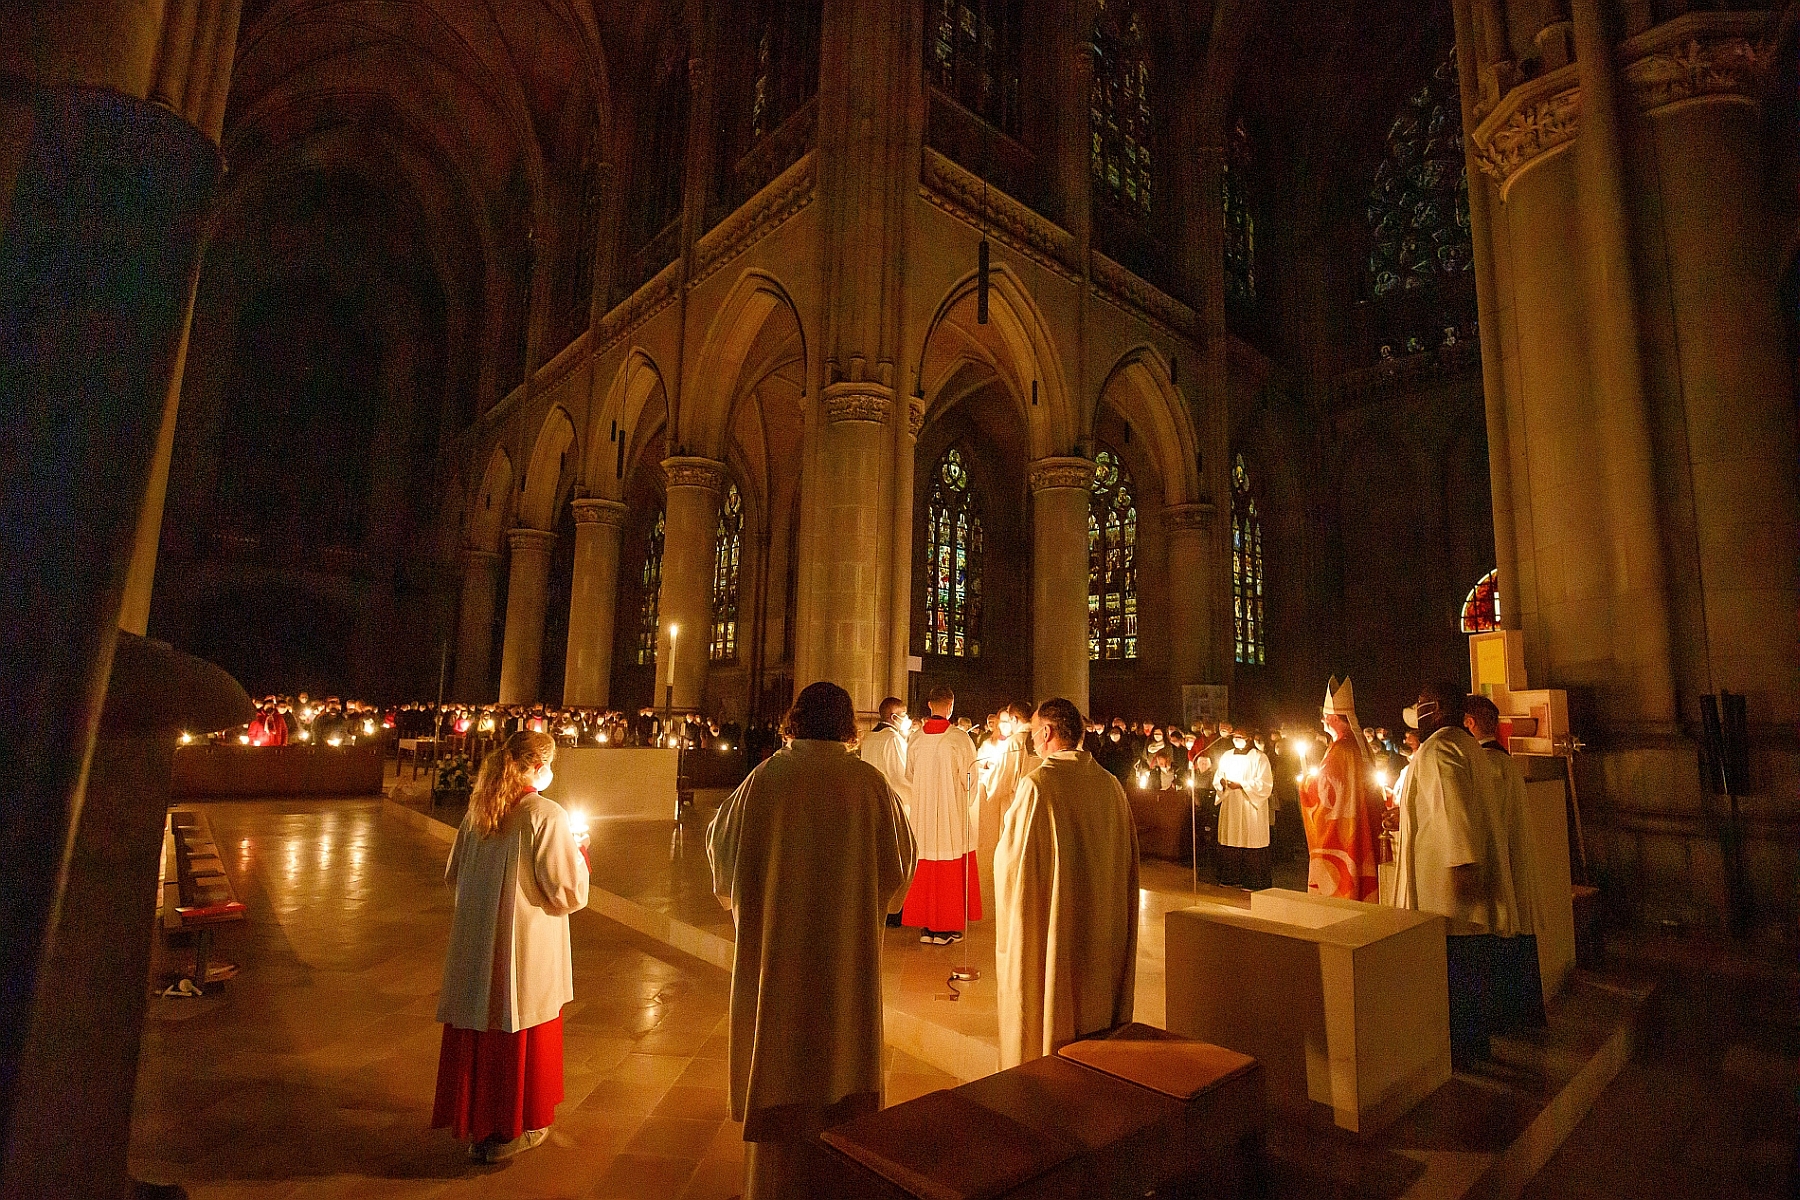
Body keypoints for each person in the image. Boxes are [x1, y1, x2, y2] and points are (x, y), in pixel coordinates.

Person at [707, 682, 916, 1199]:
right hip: (848, 957)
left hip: (779, 953)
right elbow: (900, 868)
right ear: (849, 724)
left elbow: (721, 853)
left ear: (794, 719)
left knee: (779, 1054)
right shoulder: (870, 785)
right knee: (844, 1052)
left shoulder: (765, 780)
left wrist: (741, 898)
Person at [433, 730, 589, 1163]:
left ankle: (479, 1126)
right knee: (520, 1020)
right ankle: (512, 1125)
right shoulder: (546, 815)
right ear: (538, 767)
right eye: (550, 764)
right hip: (525, 945)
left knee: (483, 1022)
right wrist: (581, 855)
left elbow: (453, 875)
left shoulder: (480, 809)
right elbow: (566, 891)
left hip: (478, 942)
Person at [994, 697, 1139, 1069]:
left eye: (1034, 731)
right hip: (1102, 929)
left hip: (1058, 926)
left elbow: (1014, 866)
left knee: (1055, 1004)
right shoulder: (1110, 786)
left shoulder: (1039, 785)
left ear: (1047, 732)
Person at [1393, 682, 1512, 1065]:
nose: (1418, 710)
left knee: (1455, 974)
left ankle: (1458, 1054)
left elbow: (1454, 808)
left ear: (1439, 707)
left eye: (1422, 702)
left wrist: (1463, 865)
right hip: (1451, 885)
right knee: (1465, 973)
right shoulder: (1463, 745)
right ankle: (1469, 1048)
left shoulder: (1442, 747)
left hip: (1446, 889)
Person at [1464, 693, 1545, 1029]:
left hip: (1499, 867)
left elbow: (1483, 823)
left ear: (1469, 723)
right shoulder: (1501, 762)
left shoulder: (1487, 765)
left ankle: (1509, 1017)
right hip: (1513, 863)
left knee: (1502, 938)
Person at [902, 684, 981, 943]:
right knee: (948, 860)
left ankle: (926, 926)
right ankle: (945, 927)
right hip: (950, 811)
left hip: (923, 812)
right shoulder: (959, 738)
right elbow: (970, 779)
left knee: (926, 859)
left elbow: (909, 774)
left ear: (929, 705)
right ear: (950, 706)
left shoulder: (915, 738)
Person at [1299, 677, 1384, 901]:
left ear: (1334, 718)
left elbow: (1325, 792)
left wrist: (1305, 783)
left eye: (1325, 718)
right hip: (1359, 819)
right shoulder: (1356, 744)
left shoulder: (1341, 748)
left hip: (1344, 823)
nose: (1323, 722)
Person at [972, 703, 1039, 903]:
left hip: (1015, 804)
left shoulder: (1015, 742)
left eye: (1009, 720)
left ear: (1016, 719)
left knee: (1015, 851)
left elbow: (1001, 780)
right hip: (1036, 803)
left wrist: (988, 777)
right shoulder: (1038, 740)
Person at [1213, 729, 1274, 888]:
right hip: (1231, 802)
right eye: (1235, 737)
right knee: (1231, 838)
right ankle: (1230, 879)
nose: (1236, 740)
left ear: (1249, 739)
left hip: (1250, 806)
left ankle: (1252, 882)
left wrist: (1242, 785)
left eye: (1240, 737)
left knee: (1250, 839)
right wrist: (1222, 783)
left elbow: (1265, 784)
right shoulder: (1226, 756)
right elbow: (1218, 777)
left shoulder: (1259, 757)